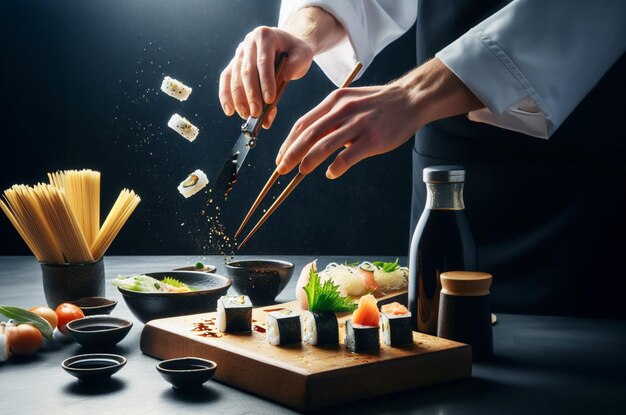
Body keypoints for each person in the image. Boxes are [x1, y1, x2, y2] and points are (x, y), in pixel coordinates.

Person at [219, 1, 626, 317]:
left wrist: (413, 94)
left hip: (575, 191)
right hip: (443, 179)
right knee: (431, 353)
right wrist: (302, 30)